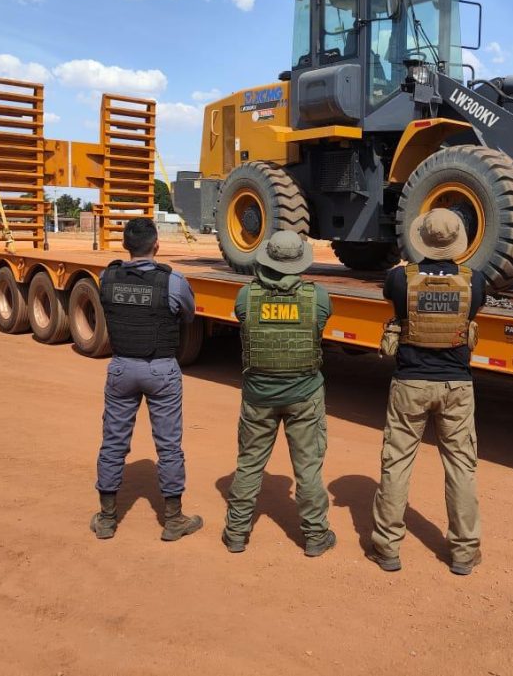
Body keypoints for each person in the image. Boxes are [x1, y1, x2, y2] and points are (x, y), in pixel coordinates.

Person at [369, 209, 487, 575]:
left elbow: (393, 301)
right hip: (457, 385)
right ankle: (464, 551)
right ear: (456, 241)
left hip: (410, 383)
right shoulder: (475, 281)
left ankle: (387, 547)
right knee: (461, 469)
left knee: (397, 464)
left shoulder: (398, 279)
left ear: (422, 238)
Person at [221, 230, 336, 557]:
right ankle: (315, 537)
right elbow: (319, 327)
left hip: (258, 396)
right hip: (304, 395)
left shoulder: (246, 297)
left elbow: (245, 322)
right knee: (308, 468)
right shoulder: (319, 297)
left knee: (248, 465)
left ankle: (236, 533)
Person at [90, 217, 202, 542]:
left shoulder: (106, 277)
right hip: (161, 369)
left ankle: (107, 519)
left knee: (113, 443)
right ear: (157, 245)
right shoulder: (173, 281)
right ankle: (174, 519)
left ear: (126, 246)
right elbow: (189, 315)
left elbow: (109, 308)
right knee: (168, 446)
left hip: (122, 368)